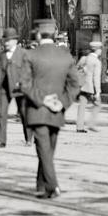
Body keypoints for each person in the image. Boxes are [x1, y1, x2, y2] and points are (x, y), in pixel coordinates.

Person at [16, 22, 83, 199]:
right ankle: (41, 185)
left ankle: (52, 186)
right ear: (55, 36)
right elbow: (75, 85)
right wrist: (62, 103)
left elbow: (24, 84)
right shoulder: (65, 57)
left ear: (38, 36)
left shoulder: (30, 55)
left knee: (44, 150)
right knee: (48, 150)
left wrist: (41, 99)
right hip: (56, 111)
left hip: (37, 110)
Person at [0, 27, 25, 148]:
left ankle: (29, 137)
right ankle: (1, 140)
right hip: (5, 88)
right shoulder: (3, 55)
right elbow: (0, 73)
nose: (6, 43)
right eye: (5, 40)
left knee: (24, 114)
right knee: (2, 114)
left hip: (19, 89)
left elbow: (27, 72)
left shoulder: (23, 54)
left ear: (15, 41)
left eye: (8, 41)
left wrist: (23, 84)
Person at [73, 40, 103, 133]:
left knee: (82, 106)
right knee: (97, 105)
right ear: (97, 50)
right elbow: (96, 78)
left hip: (82, 85)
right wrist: (97, 92)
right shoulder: (97, 62)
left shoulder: (83, 58)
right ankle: (91, 124)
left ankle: (79, 126)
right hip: (91, 88)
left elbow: (76, 69)